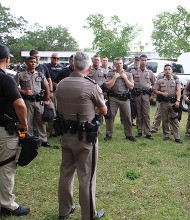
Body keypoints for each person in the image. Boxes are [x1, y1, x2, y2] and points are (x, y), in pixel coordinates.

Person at [55, 51, 106, 220]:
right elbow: (104, 109)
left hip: (66, 135)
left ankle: (64, 210)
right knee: (87, 177)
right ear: (90, 67)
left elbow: (58, 107)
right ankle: (88, 215)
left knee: (66, 173)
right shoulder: (91, 86)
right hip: (85, 139)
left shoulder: (61, 84)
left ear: (73, 65)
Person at [0, 44, 30, 216]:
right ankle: (7, 204)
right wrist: (24, 124)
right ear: (7, 59)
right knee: (6, 167)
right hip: (4, 131)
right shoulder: (5, 79)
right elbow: (19, 104)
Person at [14, 56, 51, 147]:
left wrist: (47, 97)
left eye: (34, 62)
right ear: (26, 63)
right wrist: (23, 91)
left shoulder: (40, 74)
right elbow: (14, 88)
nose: (33, 63)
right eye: (31, 62)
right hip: (27, 101)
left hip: (39, 101)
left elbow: (46, 86)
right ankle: (28, 139)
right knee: (28, 121)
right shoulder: (20, 74)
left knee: (41, 121)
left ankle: (43, 140)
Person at [103, 57, 136, 141]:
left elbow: (131, 87)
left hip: (125, 99)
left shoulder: (128, 74)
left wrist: (124, 77)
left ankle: (129, 134)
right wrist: (115, 77)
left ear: (122, 64)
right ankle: (108, 134)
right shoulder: (110, 74)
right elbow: (108, 86)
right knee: (110, 117)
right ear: (114, 65)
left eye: (120, 63)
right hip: (113, 98)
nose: (119, 65)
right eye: (117, 64)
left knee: (128, 117)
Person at [153, 64, 182, 143]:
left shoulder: (176, 80)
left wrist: (178, 100)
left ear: (172, 70)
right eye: (165, 69)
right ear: (163, 71)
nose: (167, 71)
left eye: (169, 69)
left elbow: (178, 90)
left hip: (173, 103)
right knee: (165, 119)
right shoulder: (160, 80)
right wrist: (162, 93)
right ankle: (166, 135)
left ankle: (177, 137)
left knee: (174, 120)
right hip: (164, 102)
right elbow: (155, 90)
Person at [131, 54, 156, 139]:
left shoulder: (150, 73)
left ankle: (148, 132)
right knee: (139, 113)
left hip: (146, 96)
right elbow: (131, 84)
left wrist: (152, 95)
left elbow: (154, 84)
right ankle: (139, 131)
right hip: (137, 95)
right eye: (142, 60)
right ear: (139, 61)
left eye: (145, 60)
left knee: (146, 114)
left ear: (147, 61)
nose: (143, 62)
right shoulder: (134, 72)